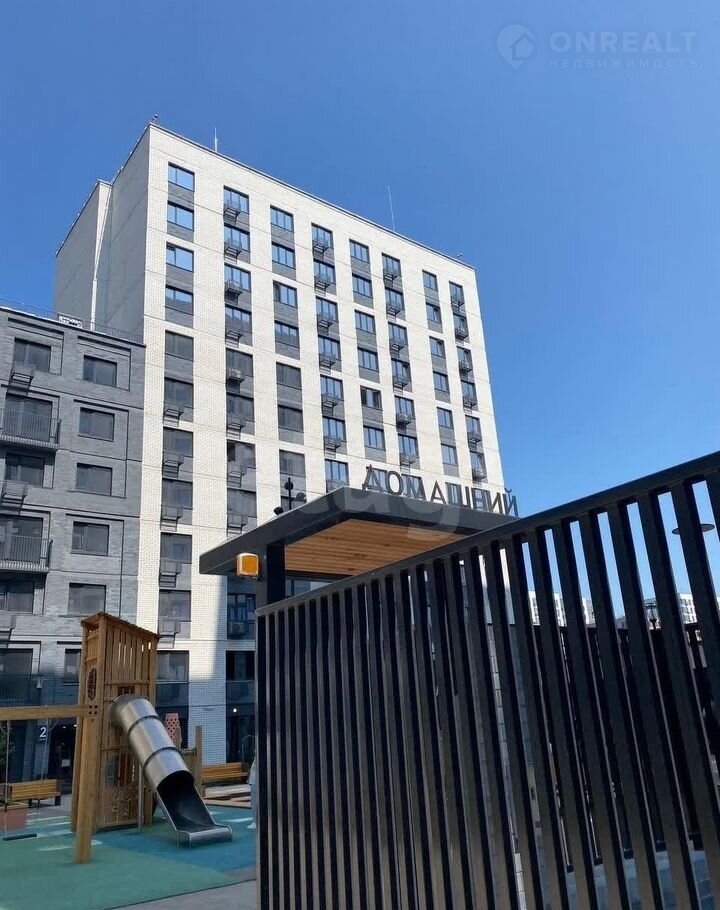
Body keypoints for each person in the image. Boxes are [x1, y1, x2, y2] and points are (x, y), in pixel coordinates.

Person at [248, 758, 257, 830]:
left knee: (254, 803)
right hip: (254, 780)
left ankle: (255, 821)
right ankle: (255, 821)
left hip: (255, 781)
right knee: (254, 802)